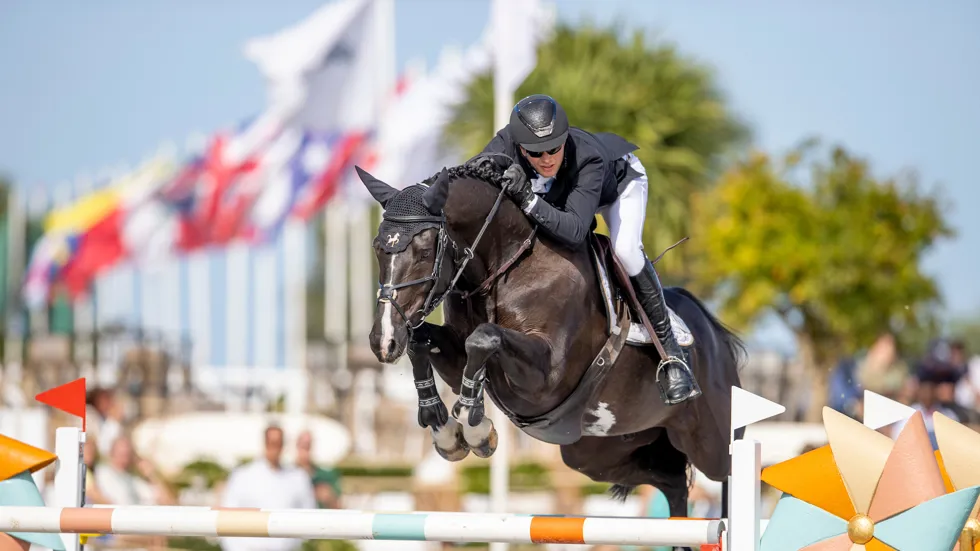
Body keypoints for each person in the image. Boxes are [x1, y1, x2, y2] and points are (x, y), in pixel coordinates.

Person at [468, 93, 699, 405]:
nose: (547, 158)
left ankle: (671, 353)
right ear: (520, 147)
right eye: (536, 153)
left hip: (619, 185)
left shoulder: (586, 156)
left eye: (554, 148)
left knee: (625, 249)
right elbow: (471, 176)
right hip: (565, 200)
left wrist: (528, 199)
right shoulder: (506, 143)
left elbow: (576, 231)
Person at [219, 425, 316, 551]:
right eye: (272, 443)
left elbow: (309, 515)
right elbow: (227, 516)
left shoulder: (298, 477)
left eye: (278, 443)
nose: (275, 449)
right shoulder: (243, 476)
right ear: (264, 443)